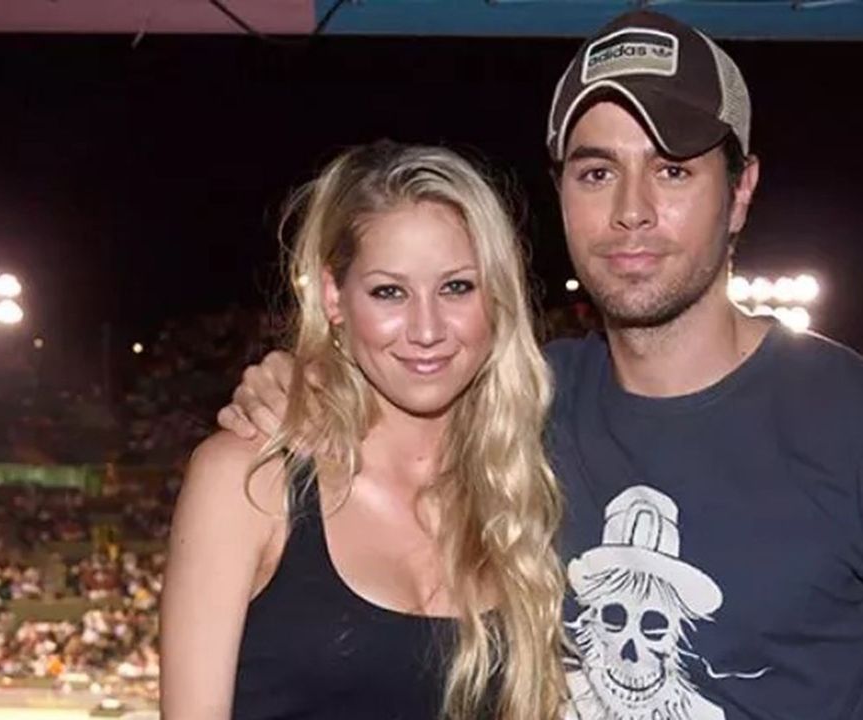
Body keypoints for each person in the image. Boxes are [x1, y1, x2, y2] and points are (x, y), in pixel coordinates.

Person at [218, 11, 863, 719]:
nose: (631, 210)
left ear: (741, 190)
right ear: (562, 192)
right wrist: (298, 379)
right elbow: (375, 403)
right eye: (597, 172)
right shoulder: (517, 403)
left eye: (672, 170)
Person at [161, 141, 567, 720]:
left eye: (457, 287)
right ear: (333, 296)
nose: (426, 329)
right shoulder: (247, 480)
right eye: (389, 292)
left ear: (498, 295)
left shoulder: (527, 482)